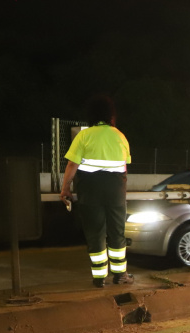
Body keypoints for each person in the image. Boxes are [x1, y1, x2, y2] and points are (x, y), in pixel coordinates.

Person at [60, 95, 134, 288]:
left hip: (89, 192)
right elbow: (124, 168)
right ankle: (120, 275)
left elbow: (72, 164)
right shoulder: (120, 136)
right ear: (111, 116)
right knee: (117, 233)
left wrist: (65, 188)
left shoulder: (84, 136)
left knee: (95, 233)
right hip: (116, 192)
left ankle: (99, 278)